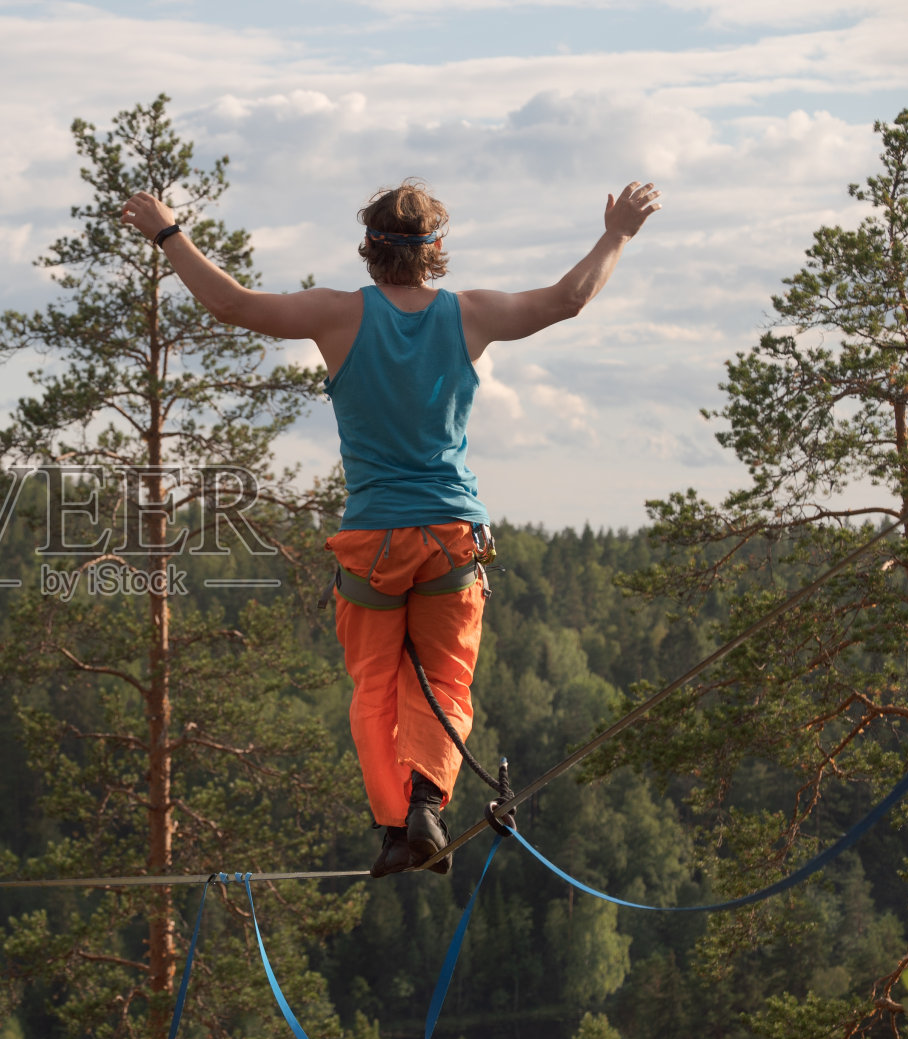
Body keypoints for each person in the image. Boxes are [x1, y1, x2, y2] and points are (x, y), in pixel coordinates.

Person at [120, 177, 661, 876]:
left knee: (375, 685)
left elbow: (231, 304)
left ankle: (394, 826)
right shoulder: (470, 314)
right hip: (449, 538)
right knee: (445, 679)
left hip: (373, 541)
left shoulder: (337, 315)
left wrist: (168, 233)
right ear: (436, 250)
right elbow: (568, 299)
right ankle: (426, 804)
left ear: (369, 249)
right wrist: (617, 234)